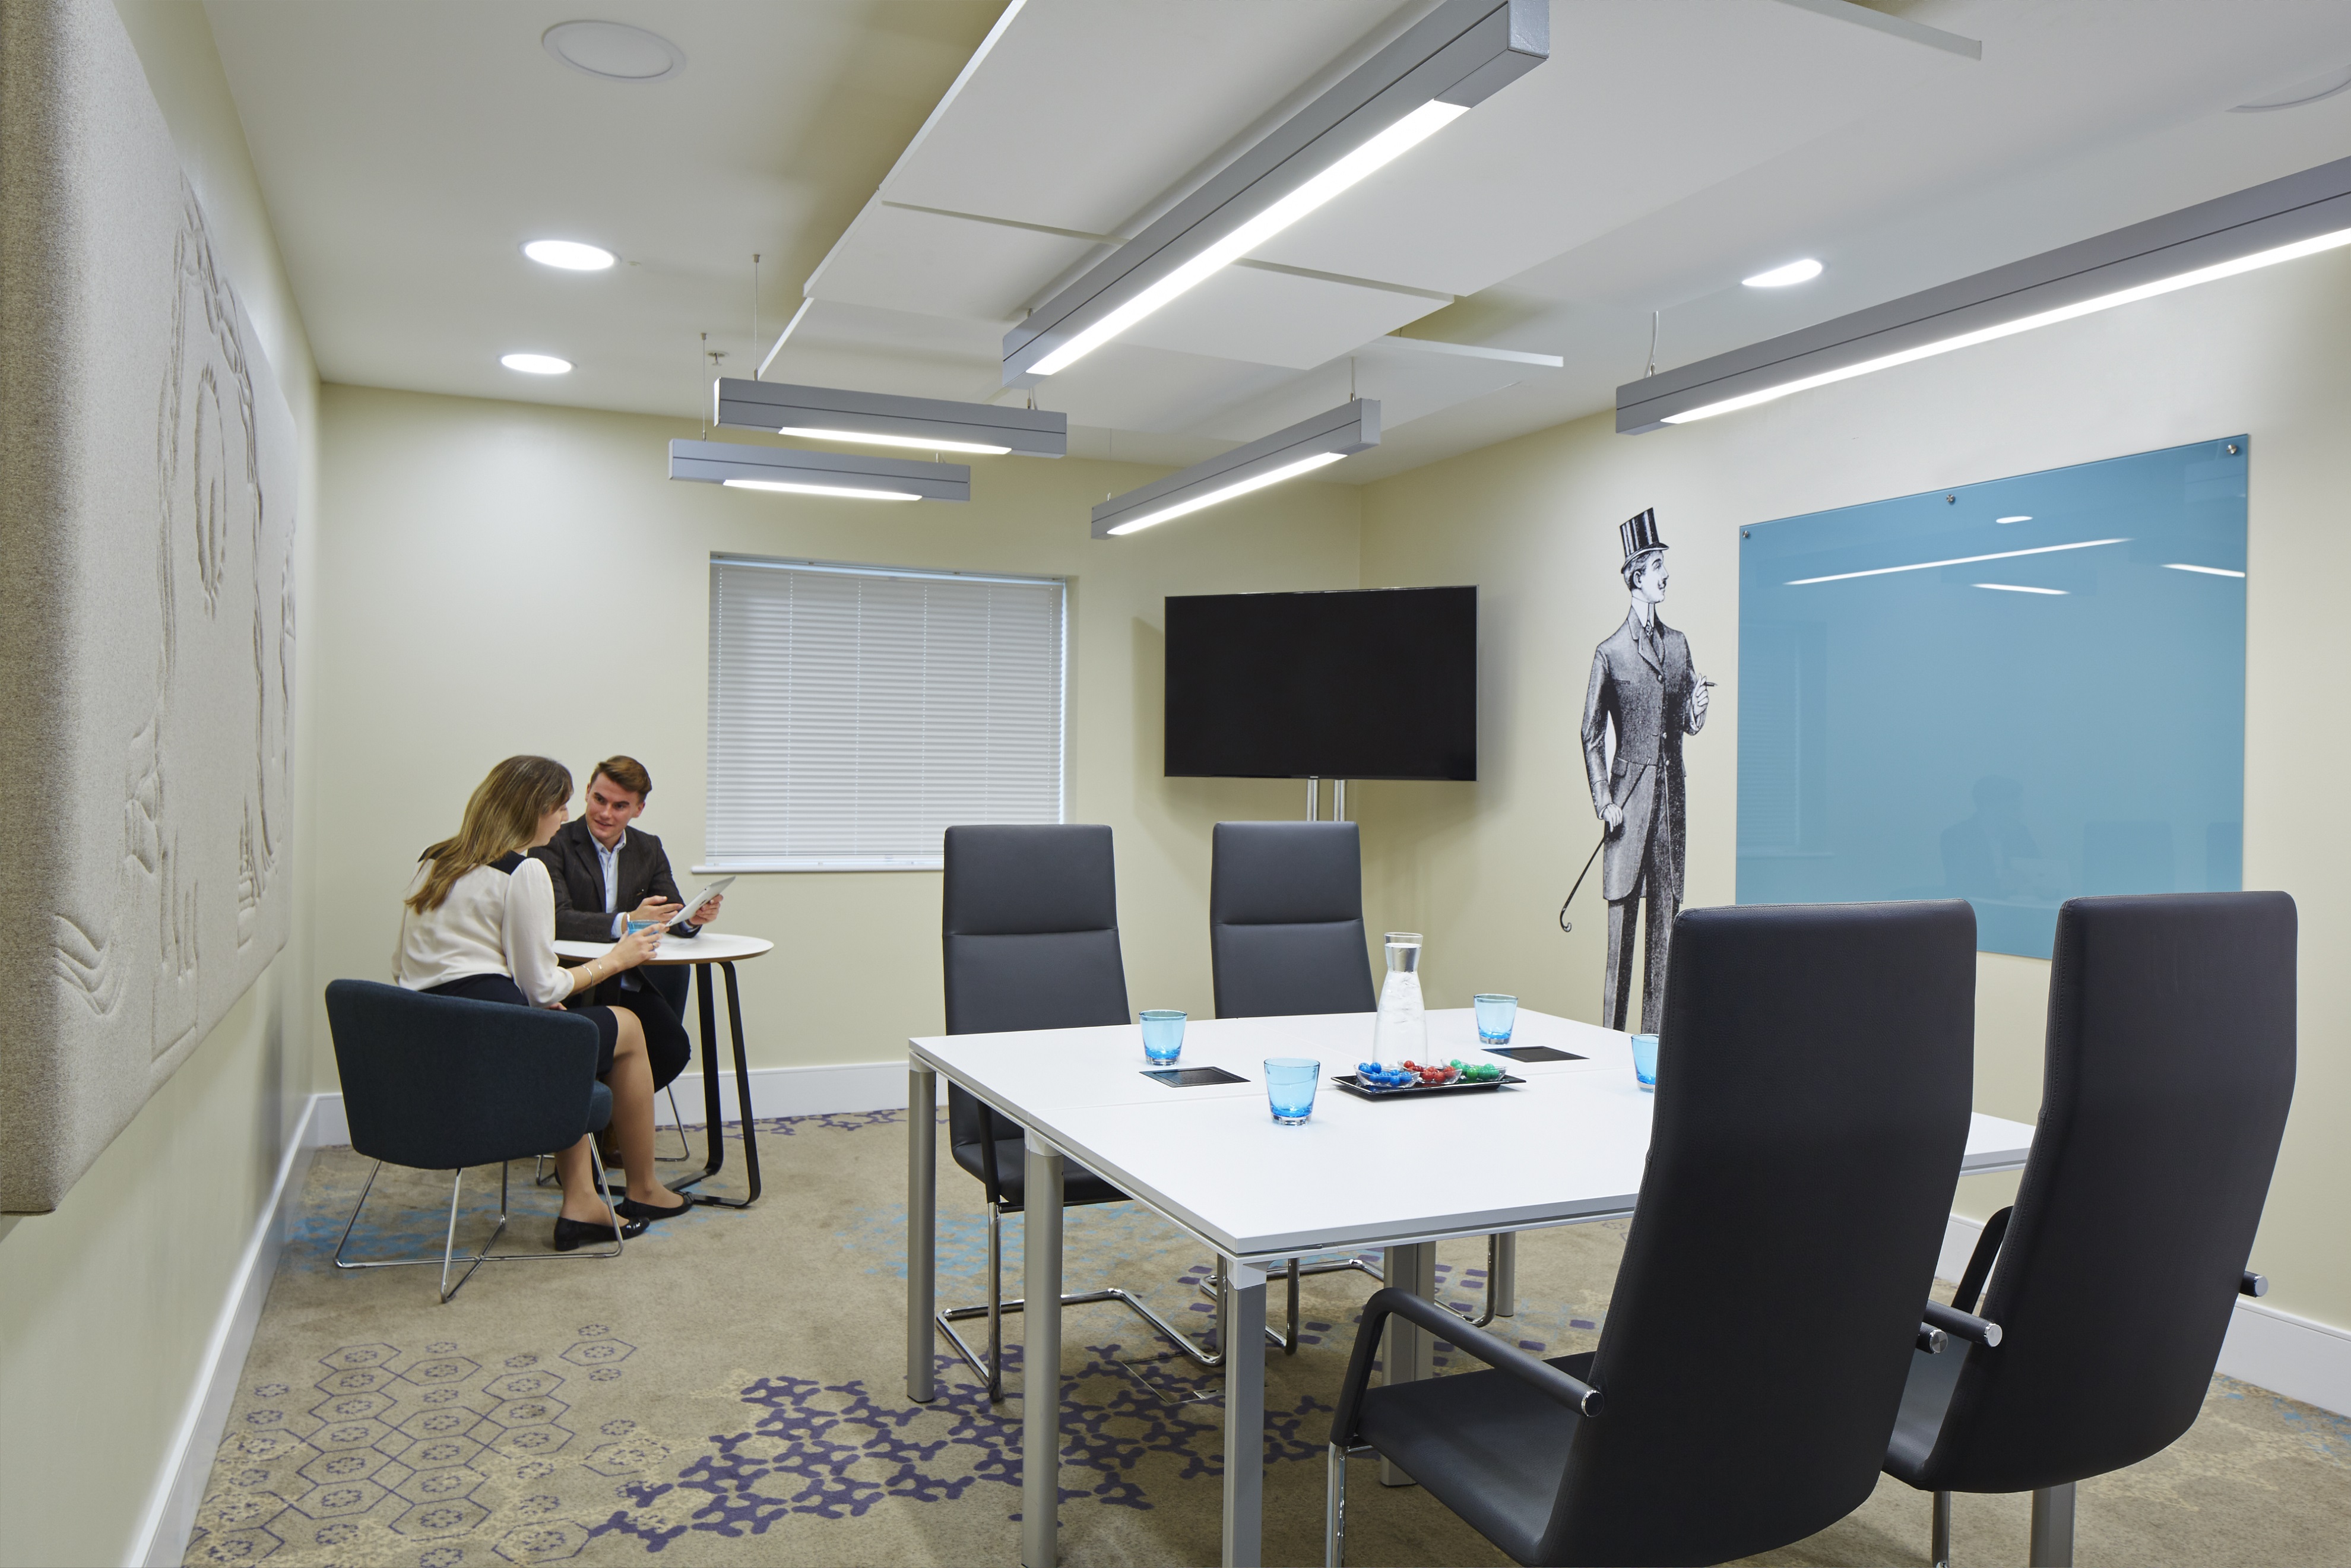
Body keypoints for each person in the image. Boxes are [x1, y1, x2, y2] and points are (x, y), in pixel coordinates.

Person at [392, 755, 692, 1249]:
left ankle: (585, 1200)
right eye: (562, 806)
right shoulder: (524, 870)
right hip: (493, 1046)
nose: (566, 816)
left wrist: (523, 1001)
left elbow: (408, 965)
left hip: (431, 1045)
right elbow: (543, 988)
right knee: (628, 1026)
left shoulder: (435, 858)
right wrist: (616, 959)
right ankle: (641, 1188)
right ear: (536, 810)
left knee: (563, 1036)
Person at [1580, 508, 1710, 1034]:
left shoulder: (1678, 645)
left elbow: (1683, 724)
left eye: (1663, 565)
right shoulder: (1610, 653)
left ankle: (1654, 1058)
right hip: (1628, 815)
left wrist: (1697, 710)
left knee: (1665, 945)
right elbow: (1591, 733)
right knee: (1621, 955)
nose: (1665, 574)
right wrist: (1604, 801)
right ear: (1637, 576)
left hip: (1670, 813)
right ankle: (1608, 1049)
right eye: (1657, 566)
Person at [530, 756, 721, 1097]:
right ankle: (591, 1118)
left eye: (620, 806)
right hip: (571, 982)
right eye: (599, 799)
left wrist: (691, 918)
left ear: (639, 809)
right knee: (578, 1054)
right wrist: (627, 921)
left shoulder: (648, 847)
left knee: (672, 1049)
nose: (605, 813)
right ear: (587, 792)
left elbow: (668, 912)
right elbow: (556, 918)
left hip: (629, 982)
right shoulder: (553, 841)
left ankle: (612, 1118)